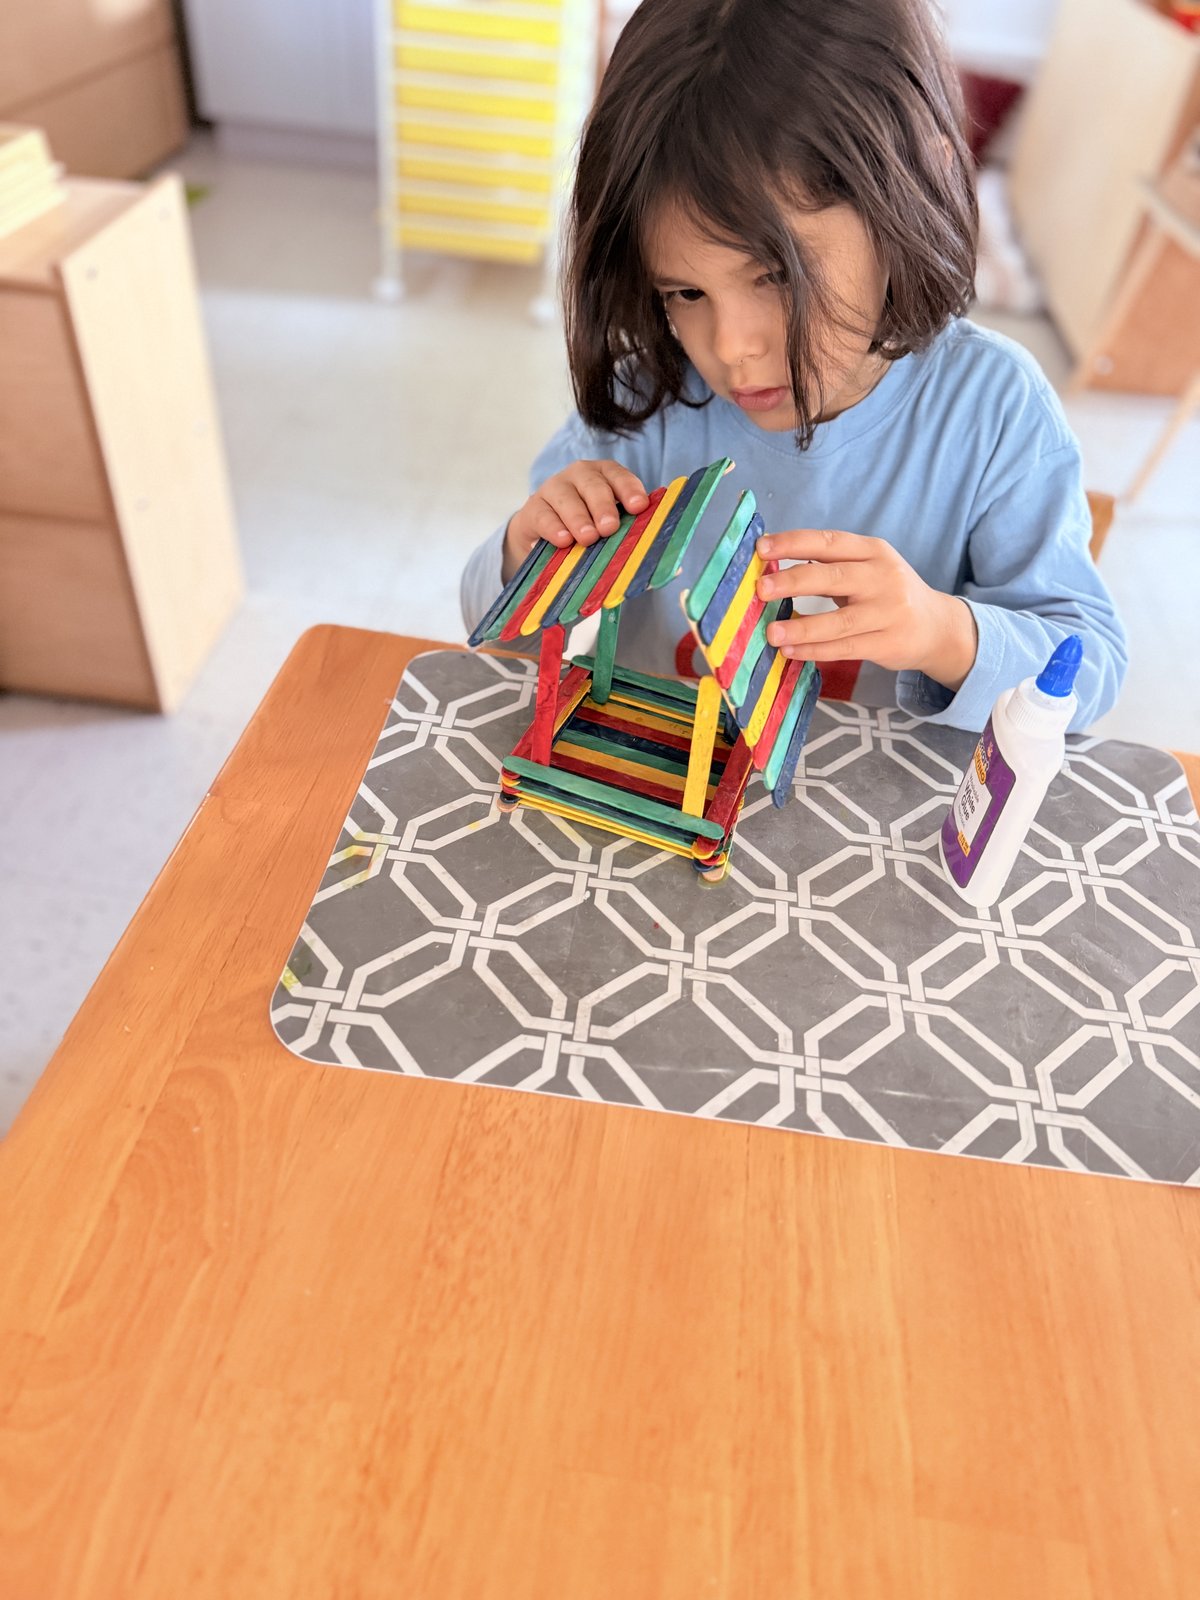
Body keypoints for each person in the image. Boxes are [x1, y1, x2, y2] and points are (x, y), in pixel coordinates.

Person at [460, 0, 1126, 731]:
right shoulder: (644, 398)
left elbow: (1089, 667)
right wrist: (527, 550)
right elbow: (499, 635)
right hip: (653, 798)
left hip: (878, 830)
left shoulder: (993, 409)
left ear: (913, 185)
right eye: (686, 291)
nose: (732, 348)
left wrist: (945, 633)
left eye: (777, 275)